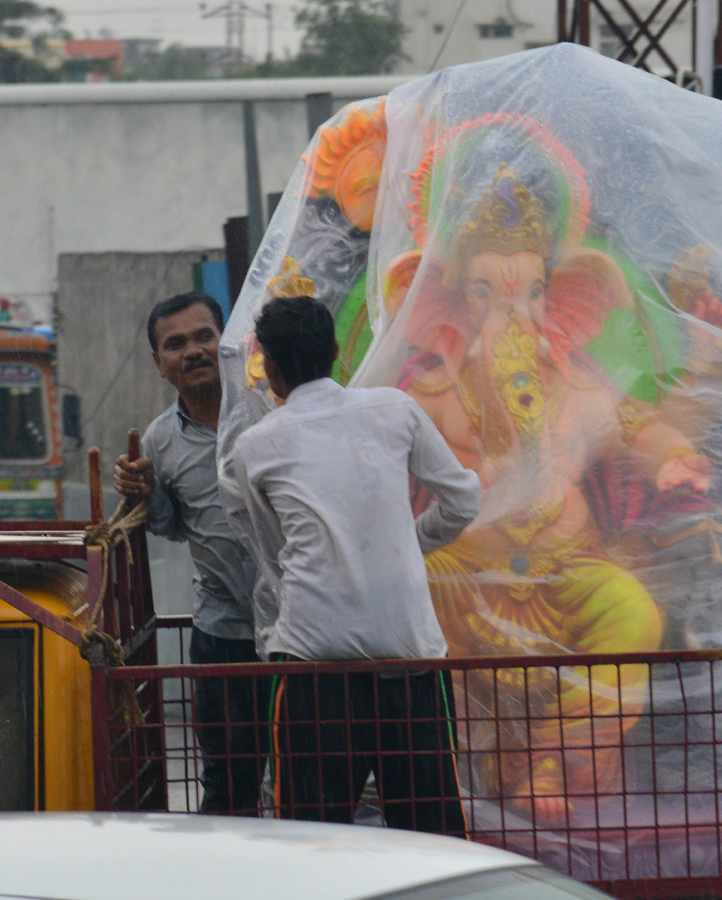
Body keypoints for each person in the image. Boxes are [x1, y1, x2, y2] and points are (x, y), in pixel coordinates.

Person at [232, 296, 481, 835]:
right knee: (431, 834)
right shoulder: (395, 409)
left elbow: (277, 553)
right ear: (337, 352)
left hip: (315, 670)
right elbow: (463, 500)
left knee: (312, 837)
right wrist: (410, 543)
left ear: (268, 365)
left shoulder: (255, 448)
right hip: (411, 658)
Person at [113, 291, 268, 816]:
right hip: (223, 635)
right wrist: (143, 490)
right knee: (228, 784)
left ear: (226, 343)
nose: (194, 351)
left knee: (308, 779)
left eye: (204, 336)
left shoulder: (269, 408)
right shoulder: (159, 440)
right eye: (175, 344)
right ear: (160, 365)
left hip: (300, 633)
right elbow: (170, 527)